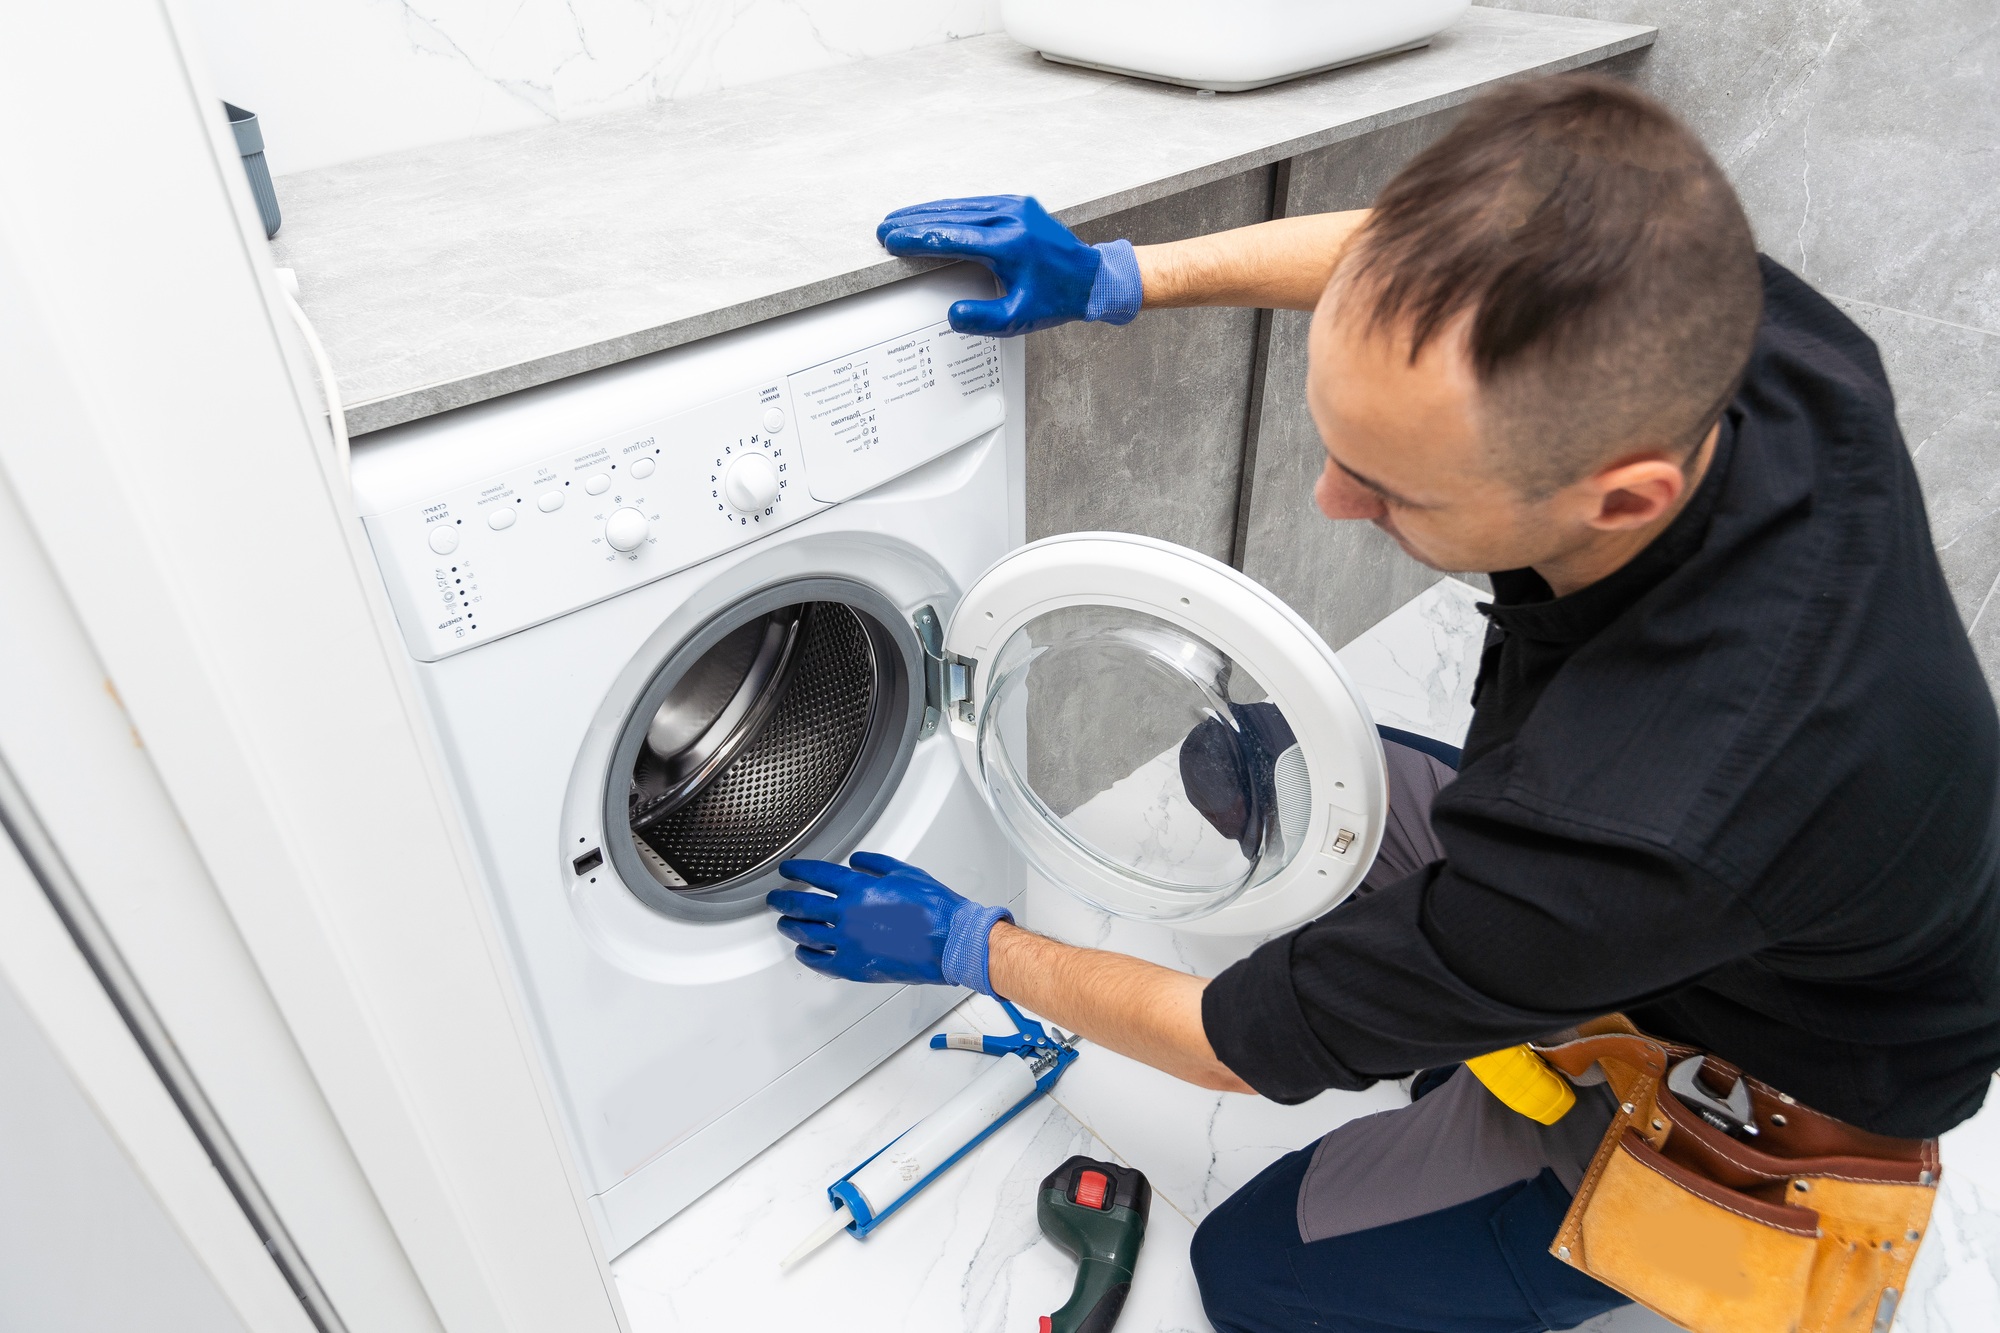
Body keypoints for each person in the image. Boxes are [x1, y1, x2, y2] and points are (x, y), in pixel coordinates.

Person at [767, 75, 2000, 1332]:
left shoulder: (1630, 824)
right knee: (1243, 760)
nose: (1330, 503)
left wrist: (970, 946)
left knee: (1255, 1275)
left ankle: (1533, 1135)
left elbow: (1221, 1045)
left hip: (1748, 1096)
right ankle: (1464, 1013)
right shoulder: (1737, 338)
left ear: (1617, 498)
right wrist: (1120, 276)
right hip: (1709, 908)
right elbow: (1400, 257)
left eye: (1394, 488)